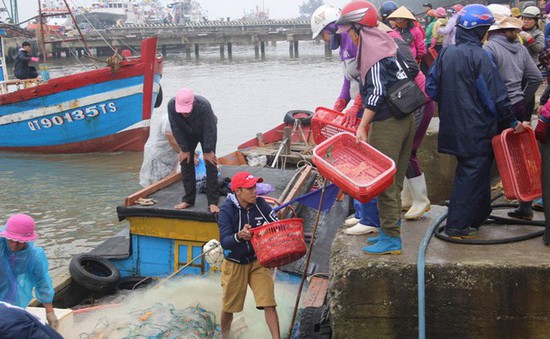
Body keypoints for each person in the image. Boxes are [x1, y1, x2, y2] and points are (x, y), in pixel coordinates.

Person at [426, 4, 525, 239]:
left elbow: (431, 89)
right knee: (471, 174)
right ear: (480, 31)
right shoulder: (481, 56)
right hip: (477, 129)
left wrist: (454, 102)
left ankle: (477, 217)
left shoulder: (446, 53)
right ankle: (457, 226)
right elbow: (495, 98)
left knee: (475, 172)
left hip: (452, 127)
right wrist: (511, 121)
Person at [337, 0, 416, 255]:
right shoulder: (387, 43)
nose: (349, 36)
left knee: (384, 183)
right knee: (395, 179)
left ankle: (391, 239)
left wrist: (362, 125)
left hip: (388, 122)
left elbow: (377, 93)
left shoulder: (372, 53)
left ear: (359, 28)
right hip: (406, 118)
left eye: (350, 30)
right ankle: (387, 231)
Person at [218, 171, 280, 338]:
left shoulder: (260, 204)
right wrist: (239, 236)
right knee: (229, 307)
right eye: (249, 188)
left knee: (269, 303)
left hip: (257, 260)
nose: (255, 191)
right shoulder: (226, 210)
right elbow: (225, 241)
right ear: (238, 191)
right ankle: (224, 336)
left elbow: (276, 224)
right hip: (235, 262)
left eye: (255, 187)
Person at [0, 214, 58, 329]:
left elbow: (42, 282)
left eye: (20, 241)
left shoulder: (34, 256)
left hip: (12, 297)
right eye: (11, 239)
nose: (15, 245)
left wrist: (49, 312)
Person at [168, 88, 220, 214]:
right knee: (185, 161)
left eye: (187, 111)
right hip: (187, 132)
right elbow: (175, 128)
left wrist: (208, 150)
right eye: (182, 111)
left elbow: (210, 128)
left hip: (205, 131)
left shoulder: (204, 105)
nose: (184, 114)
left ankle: (213, 202)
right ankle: (188, 199)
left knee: (210, 162)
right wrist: (184, 149)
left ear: (194, 103)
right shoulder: (171, 105)